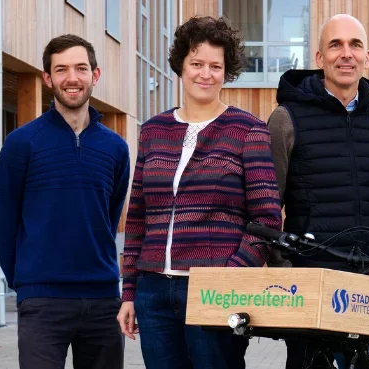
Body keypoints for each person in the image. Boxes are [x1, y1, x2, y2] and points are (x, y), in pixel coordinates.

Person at [116, 16, 282, 369]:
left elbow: (267, 220)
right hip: (154, 292)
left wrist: (229, 276)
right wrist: (129, 292)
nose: (205, 74)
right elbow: (137, 219)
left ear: (227, 71)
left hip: (216, 291)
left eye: (215, 66)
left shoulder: (247, 130)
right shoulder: (153, 131)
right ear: (181, 66)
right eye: (196, 63)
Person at [266, 14, 369, 368]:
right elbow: (267, 209)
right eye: (336, 45)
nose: (346, 54)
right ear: (319, 58)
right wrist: (286, 275)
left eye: (355, 45)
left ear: (367, 57)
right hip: (311, 284)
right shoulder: (285, 118)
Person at [0, 34, 130, 369]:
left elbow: (108, 218)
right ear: (48, 78)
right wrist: (27, 281)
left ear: (95, 75)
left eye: (81, 68)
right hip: (43, 300)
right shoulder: (22, 143)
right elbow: (1, 222)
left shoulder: (115, 147)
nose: (72, 78)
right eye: (61, 69)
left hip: (103, 298)